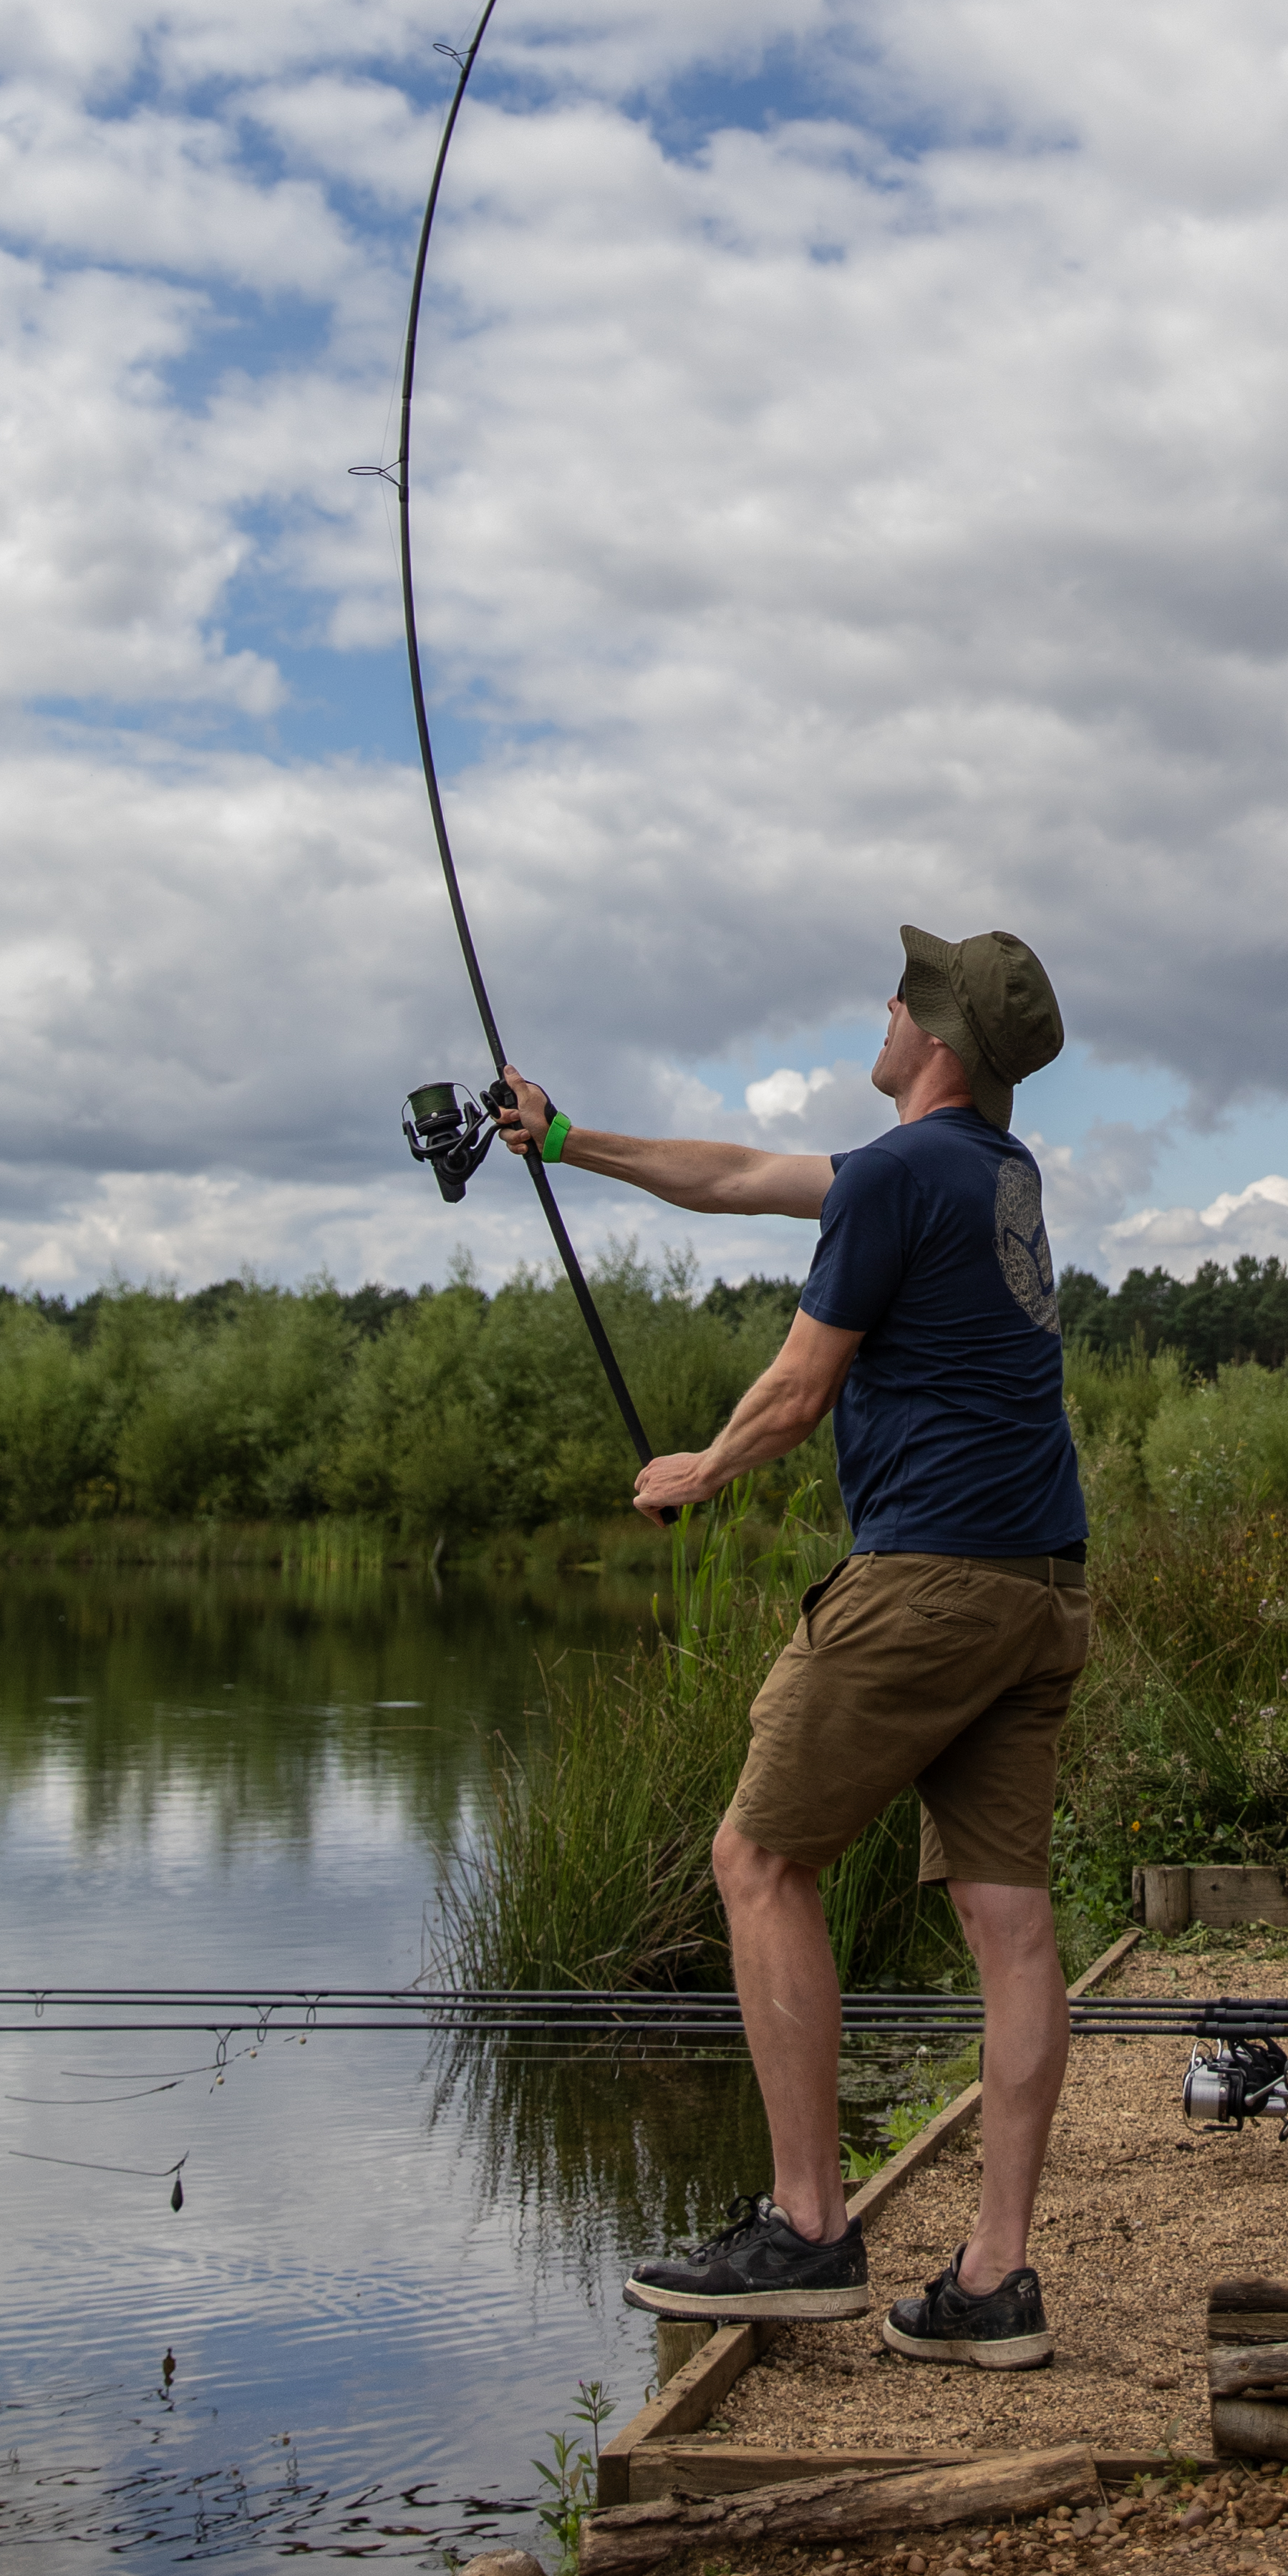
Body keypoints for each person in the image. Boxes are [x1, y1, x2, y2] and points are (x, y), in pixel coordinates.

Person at [495, 922, 1086, 2369]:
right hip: (1040, 1586)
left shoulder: (902, 1176)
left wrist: (699, 1468)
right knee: (1008, 1927)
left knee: (757, 1860)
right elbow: (744, 1177)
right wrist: (567, 1138)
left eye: (901, 998)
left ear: (933, 1037)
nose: (880, 1009)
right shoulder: (988, 1175)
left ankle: (808, 2226)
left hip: (928, 1579)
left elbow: (800, 1382)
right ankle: (994, 2283)